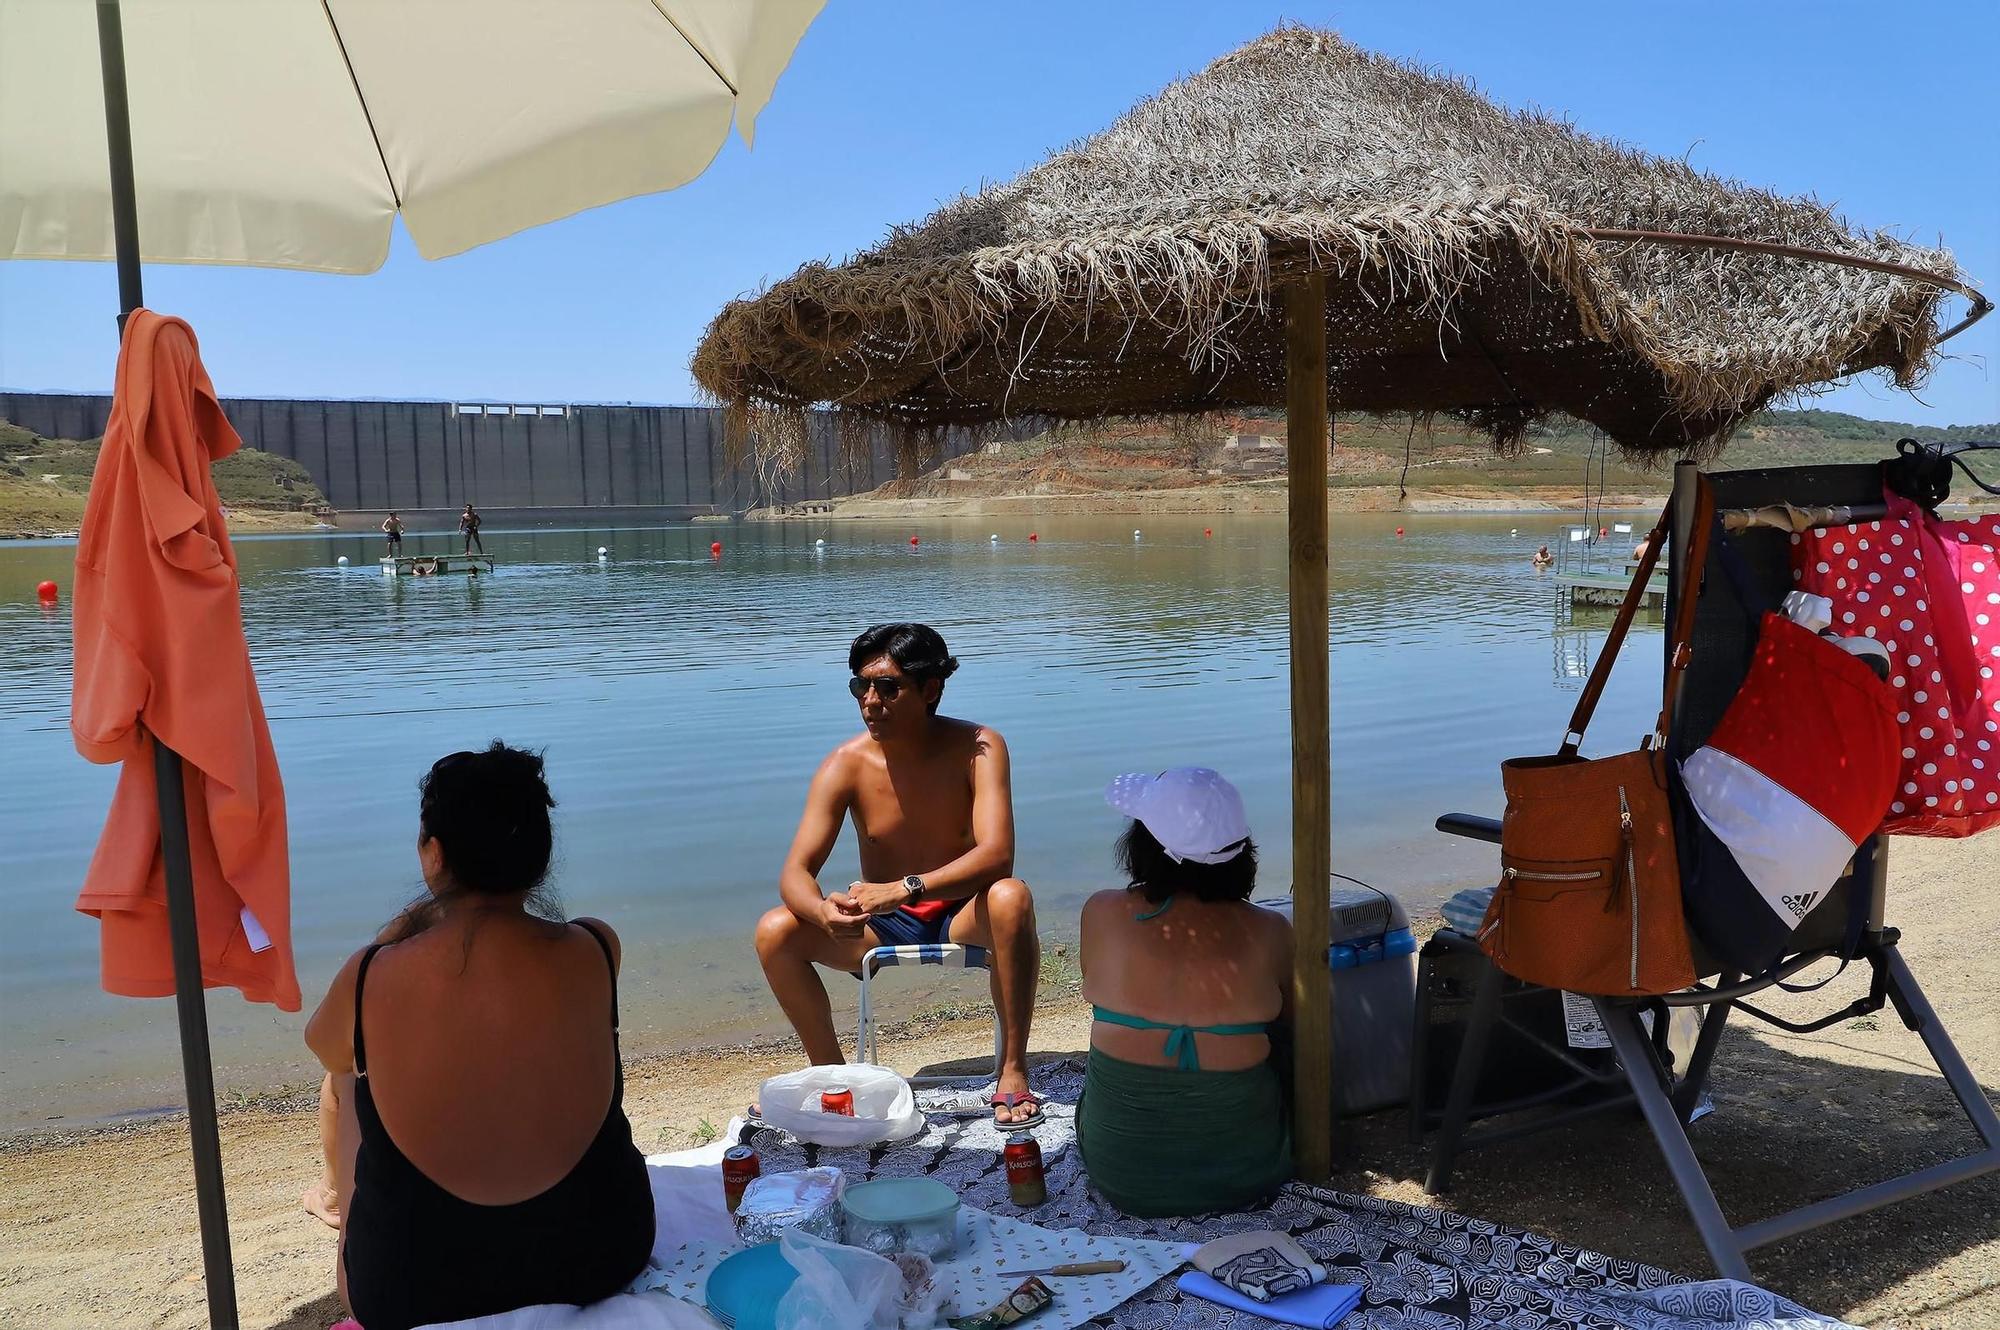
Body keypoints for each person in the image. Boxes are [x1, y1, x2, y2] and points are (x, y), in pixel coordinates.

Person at [303, 743, 653, 1330]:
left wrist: (402, 929)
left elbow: (324, 1045)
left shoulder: (371, 976)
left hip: (412, 1286)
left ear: (434, 853)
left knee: (346, 1069)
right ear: (538, 857)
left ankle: (335, 1199)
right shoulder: (596, 946)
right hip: (601, 1250)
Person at [755, 623, 1043, 1125]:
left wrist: (906, 887)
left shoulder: (978, 746)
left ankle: (1013, 1069)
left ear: (930, 689)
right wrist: (823, 911)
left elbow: (998, 855)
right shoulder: (845, 764)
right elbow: (796, 871)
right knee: (775, 929)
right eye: (860, 686)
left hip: (961, 911)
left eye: (888, 687)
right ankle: (833, 1079)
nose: (870, 700)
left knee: (1011, 897)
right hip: (882, 923)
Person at [1077, 767, 1292, 1217]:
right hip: (1248, 1174)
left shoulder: (1101, 912)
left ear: (1142, 847)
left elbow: (1095, 987)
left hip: (1122, 1175)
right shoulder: (1271, 929)